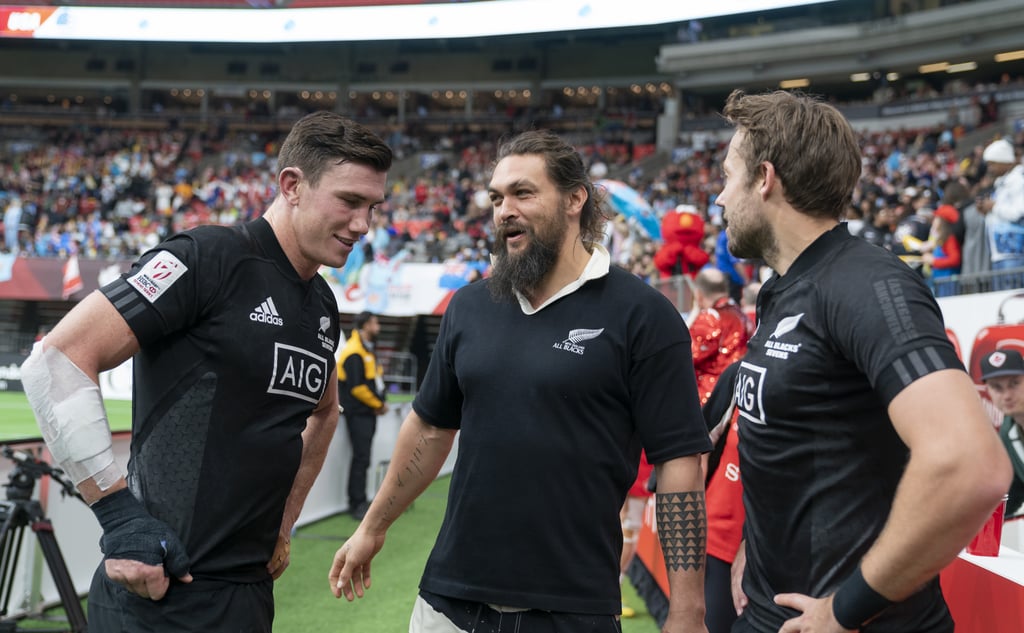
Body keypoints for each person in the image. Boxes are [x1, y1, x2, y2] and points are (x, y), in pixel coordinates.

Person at [20, 111, 393, 633]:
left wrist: (286, 522)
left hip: (247, 595)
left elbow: (325, 412)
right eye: (350, 201)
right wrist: (118, 518)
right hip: (159, 591)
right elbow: (55, 361)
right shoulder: (208, 259)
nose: (363, 225)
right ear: (292, 186)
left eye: (372, 207)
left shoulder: (324, 305)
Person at [329, 129, 712, 633]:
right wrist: (372, 528)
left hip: (572, 611)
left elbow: (679, 462)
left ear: (576, 199)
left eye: (523, 193)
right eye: (496, 197)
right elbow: (428, 429)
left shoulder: (644, 315)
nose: (503, 209)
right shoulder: (469, 307)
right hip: (447, 604)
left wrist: (687, 609)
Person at [717, 89, 1011, 633]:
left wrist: (846, 607)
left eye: (727, 176)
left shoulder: (867, 283)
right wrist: (754, 556)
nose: (718, 197)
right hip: (768, 610)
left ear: (764, 178)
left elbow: (971, 464)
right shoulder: (783, 289)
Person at [337, 310, 389, 521]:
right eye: (375, 323)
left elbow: (375, 380)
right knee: (361, 458)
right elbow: (357, 388)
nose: (378, 327)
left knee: (364, 458)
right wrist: (378, 404)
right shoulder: (354, 352)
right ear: (366, 325)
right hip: (358, 414)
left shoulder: (367, 350)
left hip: (367, 413)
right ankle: (356, 503)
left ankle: (360, 500)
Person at [689, 267, 751, 405]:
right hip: (738, 391)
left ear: (698, 294)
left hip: (710, 397)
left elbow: (686, 355)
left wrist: (694, 312)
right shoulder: (740, 314)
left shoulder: (709, 318)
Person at [980, 348, 1024, 519]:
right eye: (996, 387)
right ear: (988, 391)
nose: (1006, 395)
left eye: (1014, 383)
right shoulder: (1007, 434)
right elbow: (1012, 496)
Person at [981, 138, 1024, 289]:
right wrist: (987, 211)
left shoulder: (1019, 181)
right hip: (1000, 253)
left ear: (1004, 161)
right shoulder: (1002, 183)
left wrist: (993, 207)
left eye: (992, 163)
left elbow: (1018, 213)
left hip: (1014, 253)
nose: (990, 168)